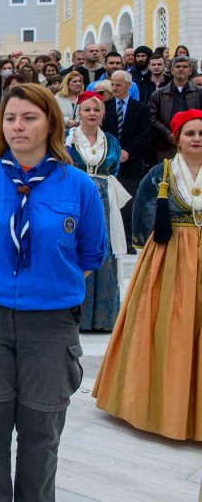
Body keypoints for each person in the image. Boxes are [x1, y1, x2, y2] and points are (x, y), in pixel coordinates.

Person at [0, 83, 107, 501]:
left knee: (41, 435)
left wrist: (42, 288)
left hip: (50, 326)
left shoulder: (80, 188)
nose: (18, 127)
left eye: (29, 118)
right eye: (10, 119)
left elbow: (90, 256)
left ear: (51, 122)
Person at [94, 109, 202, 441]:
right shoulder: (161, 172)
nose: (197, 139)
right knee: (167, 323)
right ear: (177, 139)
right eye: (190, 133)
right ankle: (154, 403)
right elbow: (143, 215)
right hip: (169, 258)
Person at [65, 92, 127, 331]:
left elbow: (115, 169)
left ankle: (104, 318)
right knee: (77, 247)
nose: (92, 113)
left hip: (104, 198)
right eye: (87, 109)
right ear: (79, 112)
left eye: (96, 109)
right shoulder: (68, 139)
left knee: (105, 250)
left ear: (102, 113)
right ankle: (77, 315)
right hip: (76, 196)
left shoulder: (111, 140)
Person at [103, 70, 152, 253]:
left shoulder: (141, 109)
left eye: (118, 84)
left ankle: (130, 239)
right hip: (110, 162)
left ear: (128, 86)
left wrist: (128, 152)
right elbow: (104, 133)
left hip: (132, 162)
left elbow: (145, 134)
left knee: (130, 201)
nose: (114, 88)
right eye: (112, 84)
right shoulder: (104, 107)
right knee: (112, 202)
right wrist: (115, 152)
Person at [150, 55, 202, 160]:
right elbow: (152, 117)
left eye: (184, 66)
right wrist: (169, 134)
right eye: (178, 66)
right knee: (167, 174)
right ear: (172, 71)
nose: (181, 69)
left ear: (190, 71)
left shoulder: (199, 93)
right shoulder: (158, 94)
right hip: (166, 144)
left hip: (194, 143)